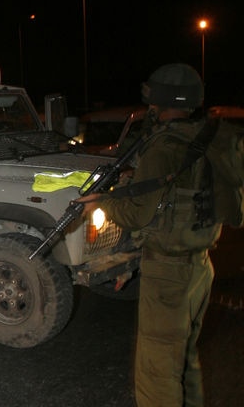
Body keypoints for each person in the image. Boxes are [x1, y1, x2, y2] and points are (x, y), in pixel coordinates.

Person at [75, 63, 221, 407]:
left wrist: (104, 203)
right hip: (199, 267)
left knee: (157, 375)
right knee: (184, 362)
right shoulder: (205, 136)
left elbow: (138, 213)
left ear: (162, 101)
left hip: (170, 275)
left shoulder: (164, 147)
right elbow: (172, 210)